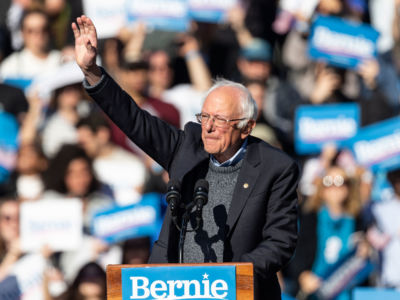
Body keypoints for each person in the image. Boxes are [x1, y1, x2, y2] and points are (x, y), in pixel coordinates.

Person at [72, 15, 300, 299]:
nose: (208, 126)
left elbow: (280, 243)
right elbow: (134, 120)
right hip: (172, 289)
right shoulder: (188, 148)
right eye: (204, 116)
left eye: (219, 119)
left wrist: (230, 276)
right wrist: (93, 71)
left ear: (246, 126)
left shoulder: (275, 167)